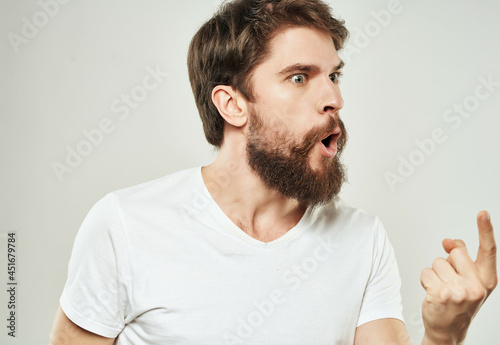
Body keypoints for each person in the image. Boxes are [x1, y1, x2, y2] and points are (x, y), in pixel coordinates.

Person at [50, 0, 497, 344]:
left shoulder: (363, 239)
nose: (334, 99)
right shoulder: (125, 225)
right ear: (232, 104)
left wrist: (444, 335)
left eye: (334, 76)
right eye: (300, 77)